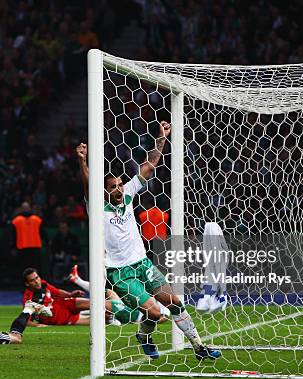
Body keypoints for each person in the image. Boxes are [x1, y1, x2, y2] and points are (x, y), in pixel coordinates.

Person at [76, 121, 221, 360]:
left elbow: (150, 165)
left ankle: (198, 347)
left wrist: (161, 138)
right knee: (154, 312)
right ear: (104, 190)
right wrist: (82, 160)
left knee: (174, 302)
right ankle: (144, 335)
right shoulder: (98, 206)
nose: (119, 189)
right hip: (119, 272)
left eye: (120, 185)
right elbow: (88, 183)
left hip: (142, 263)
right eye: (113, 187)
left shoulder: (129, 195)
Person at [22, 268, 142, 326]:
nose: (37, 281)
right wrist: (37, 325)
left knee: (102, 301)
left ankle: (133, 316)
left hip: (65, 304)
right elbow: (25, 320)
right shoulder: (29, 299)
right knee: (100, 319)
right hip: (60, 318)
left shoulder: (43, 283)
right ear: (27, 284)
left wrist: (70, 294)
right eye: (32, 280)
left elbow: (57, 292)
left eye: (37, 277)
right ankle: (131, 317)